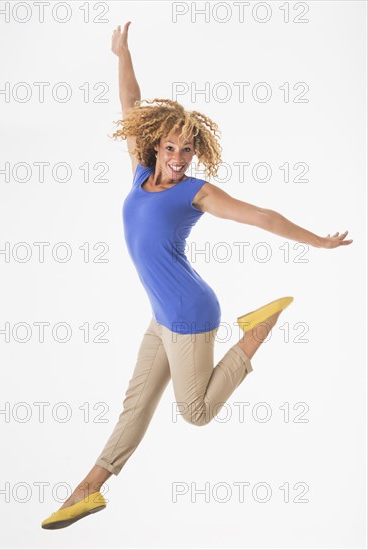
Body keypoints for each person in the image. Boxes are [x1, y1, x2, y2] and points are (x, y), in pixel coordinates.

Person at [41, 21, 353, 530]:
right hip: (162, 314)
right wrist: (122, 54)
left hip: (188, 312)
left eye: (188, 150)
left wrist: (317, 240)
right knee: (134, 408)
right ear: (156, 146)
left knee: (197, 413)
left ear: (196, 151)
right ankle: (85, 490)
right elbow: (131, 101)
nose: (180, 158)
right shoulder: (141, 172)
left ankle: (257, 330)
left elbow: (263, 216)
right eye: (171, 147)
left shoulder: (198, 193)